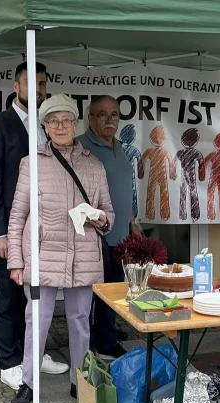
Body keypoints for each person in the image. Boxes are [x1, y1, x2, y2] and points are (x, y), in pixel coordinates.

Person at [7, 94, 115, 403]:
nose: (60, 126)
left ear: (76, 122)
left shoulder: (94, 166)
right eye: (53, 121)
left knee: (80, 320)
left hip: (83, 255)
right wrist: (16, 260)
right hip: (41, 256)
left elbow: (109, 214)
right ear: (44, 126)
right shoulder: (31, 163)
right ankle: (28, 383)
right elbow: (17, 215)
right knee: (36, 320)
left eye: (66, 120)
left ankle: (78, 381)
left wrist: (101, 217)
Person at [0, 61, 67, 390]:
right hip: (10, 229)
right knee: (10, 294)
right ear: (16, 86)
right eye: (32, 82)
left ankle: (34, 353)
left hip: (45, 228)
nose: (38, 89)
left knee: (37, 294)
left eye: (43, 83)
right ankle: (9, 362)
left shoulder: (47, 126)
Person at [77, 95, 140, 360]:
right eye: (102, 114)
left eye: (114, 114)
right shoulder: (80, 146)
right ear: (90, 119)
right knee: (93, 293)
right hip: (93, 235)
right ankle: (99, 343)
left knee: (114, 289)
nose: (109, 119)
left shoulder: (121, 148)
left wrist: (133, 223)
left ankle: (106, 334)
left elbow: (125, 189)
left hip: (120, 234)